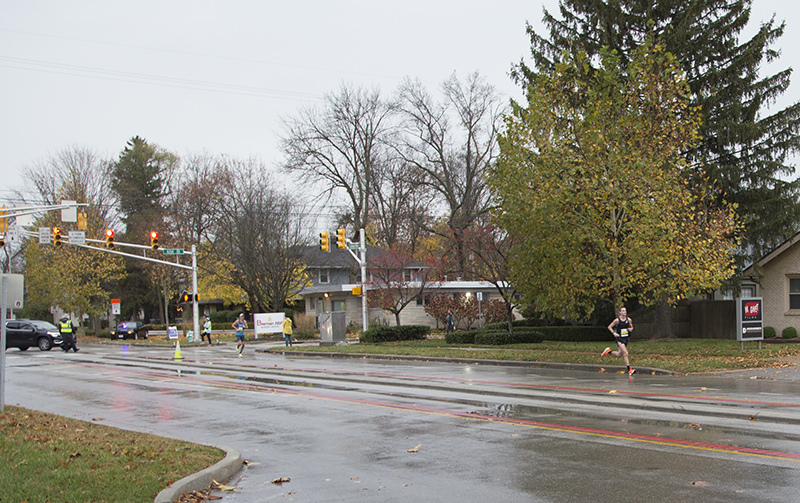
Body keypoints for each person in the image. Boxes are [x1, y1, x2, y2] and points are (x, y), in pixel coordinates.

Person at [602, 306, 634, 375]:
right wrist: (614, 333)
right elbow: (609, 327)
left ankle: (608, 352)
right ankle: (629, 370)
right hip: (619, 339)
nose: (624, 312)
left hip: (625, 338)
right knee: (626, 353)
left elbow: (631, 326)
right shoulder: (617, 320)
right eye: (623, 311)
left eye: (625, 311)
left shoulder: (629, 320)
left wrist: (631, 329)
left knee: (619, 354)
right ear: (619, 312)